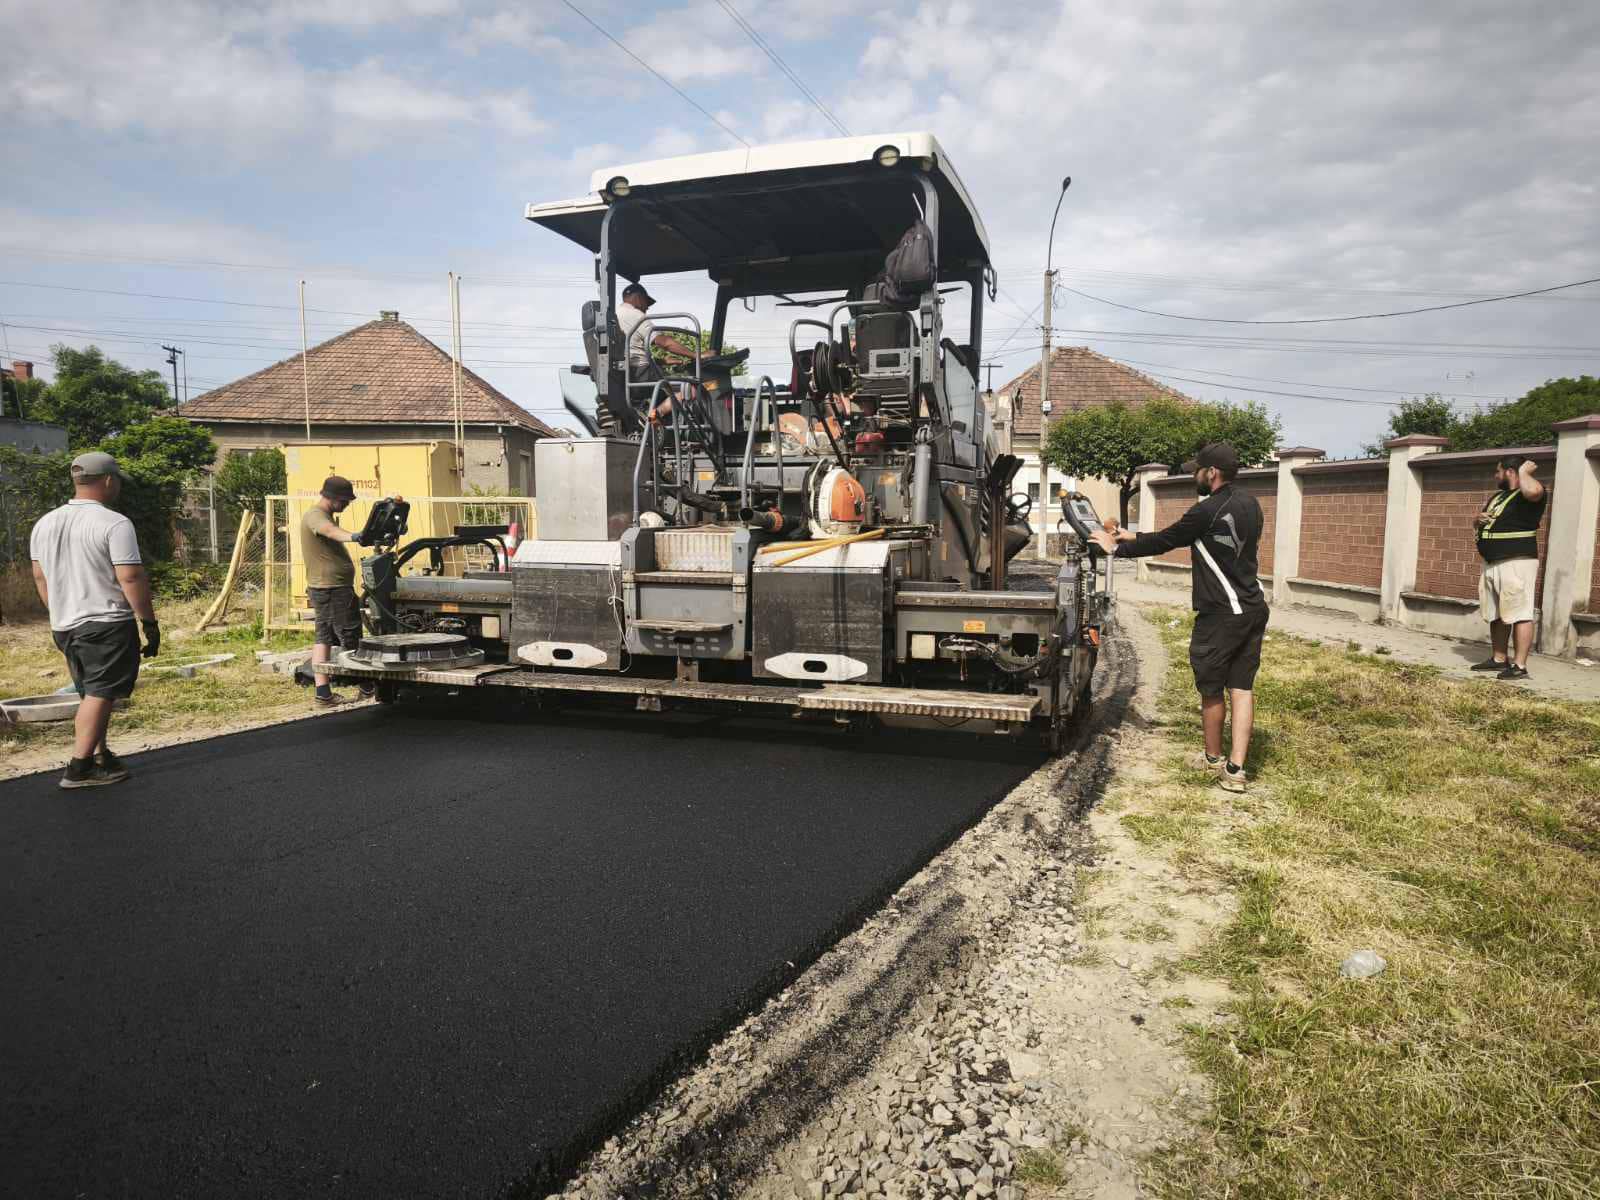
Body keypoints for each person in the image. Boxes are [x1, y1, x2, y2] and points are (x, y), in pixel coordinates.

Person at [1090, 443, 1268, 793]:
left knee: (1212, 689)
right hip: (1252, 608)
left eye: (1198, 470)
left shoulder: (1206, 510)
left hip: (1220, 614)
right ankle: (1236, 769)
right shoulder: (1251, 504)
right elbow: (1177, 535)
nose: (1193, 475)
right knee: (1242, 688)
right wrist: (1131, 535)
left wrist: (1116, 548)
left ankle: (1213, 759)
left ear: (1212, 473)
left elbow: (1167, 541)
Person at [29, 451, 160, 790]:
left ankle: (101, 755)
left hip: (65, 624)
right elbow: (130, 576)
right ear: (108, 480)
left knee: (90, 691)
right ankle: (79, 767)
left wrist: (58, 611)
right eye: (117, 482)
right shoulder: (114, 523)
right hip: (105, 622)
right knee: (102, 692)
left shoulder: (45, 523)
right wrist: (148, 621)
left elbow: (40, 577)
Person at [1470, 454, 1547, 681]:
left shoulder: (1530, 492)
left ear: (1510, 472)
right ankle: (1499, 658)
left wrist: (1524, 472)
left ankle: (1519, 666)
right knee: (1497, 613)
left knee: (1520, 613)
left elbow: (1533, 491)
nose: (1496, 475)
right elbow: (1485, 522)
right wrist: (1477, 520)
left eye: (1498, 471)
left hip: (1516, 563)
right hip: (1492, 562)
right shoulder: (1499, 496)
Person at [300, 475, 371, 706]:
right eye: (345, 500)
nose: (347, 504)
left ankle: (323, 693)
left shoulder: (323, 515)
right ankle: (368, 688)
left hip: (327, 587)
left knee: (324, 638)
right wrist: (354, 536)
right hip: (332, 588)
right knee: (351, 637)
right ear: (333, 497)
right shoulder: (316, 516)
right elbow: (330, 531)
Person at [614, 282, 705, 425]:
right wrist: (696, 355)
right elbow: (663, 342)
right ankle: (655, 415)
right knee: (691, 389)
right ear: (638, 298)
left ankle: (652, 418)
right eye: (646, 303)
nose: (647, 308)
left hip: (625, 376)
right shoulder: (636, 315)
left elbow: (631, 352)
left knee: (666, 390)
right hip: (641, 376)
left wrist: (662, 361)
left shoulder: (614, 316)